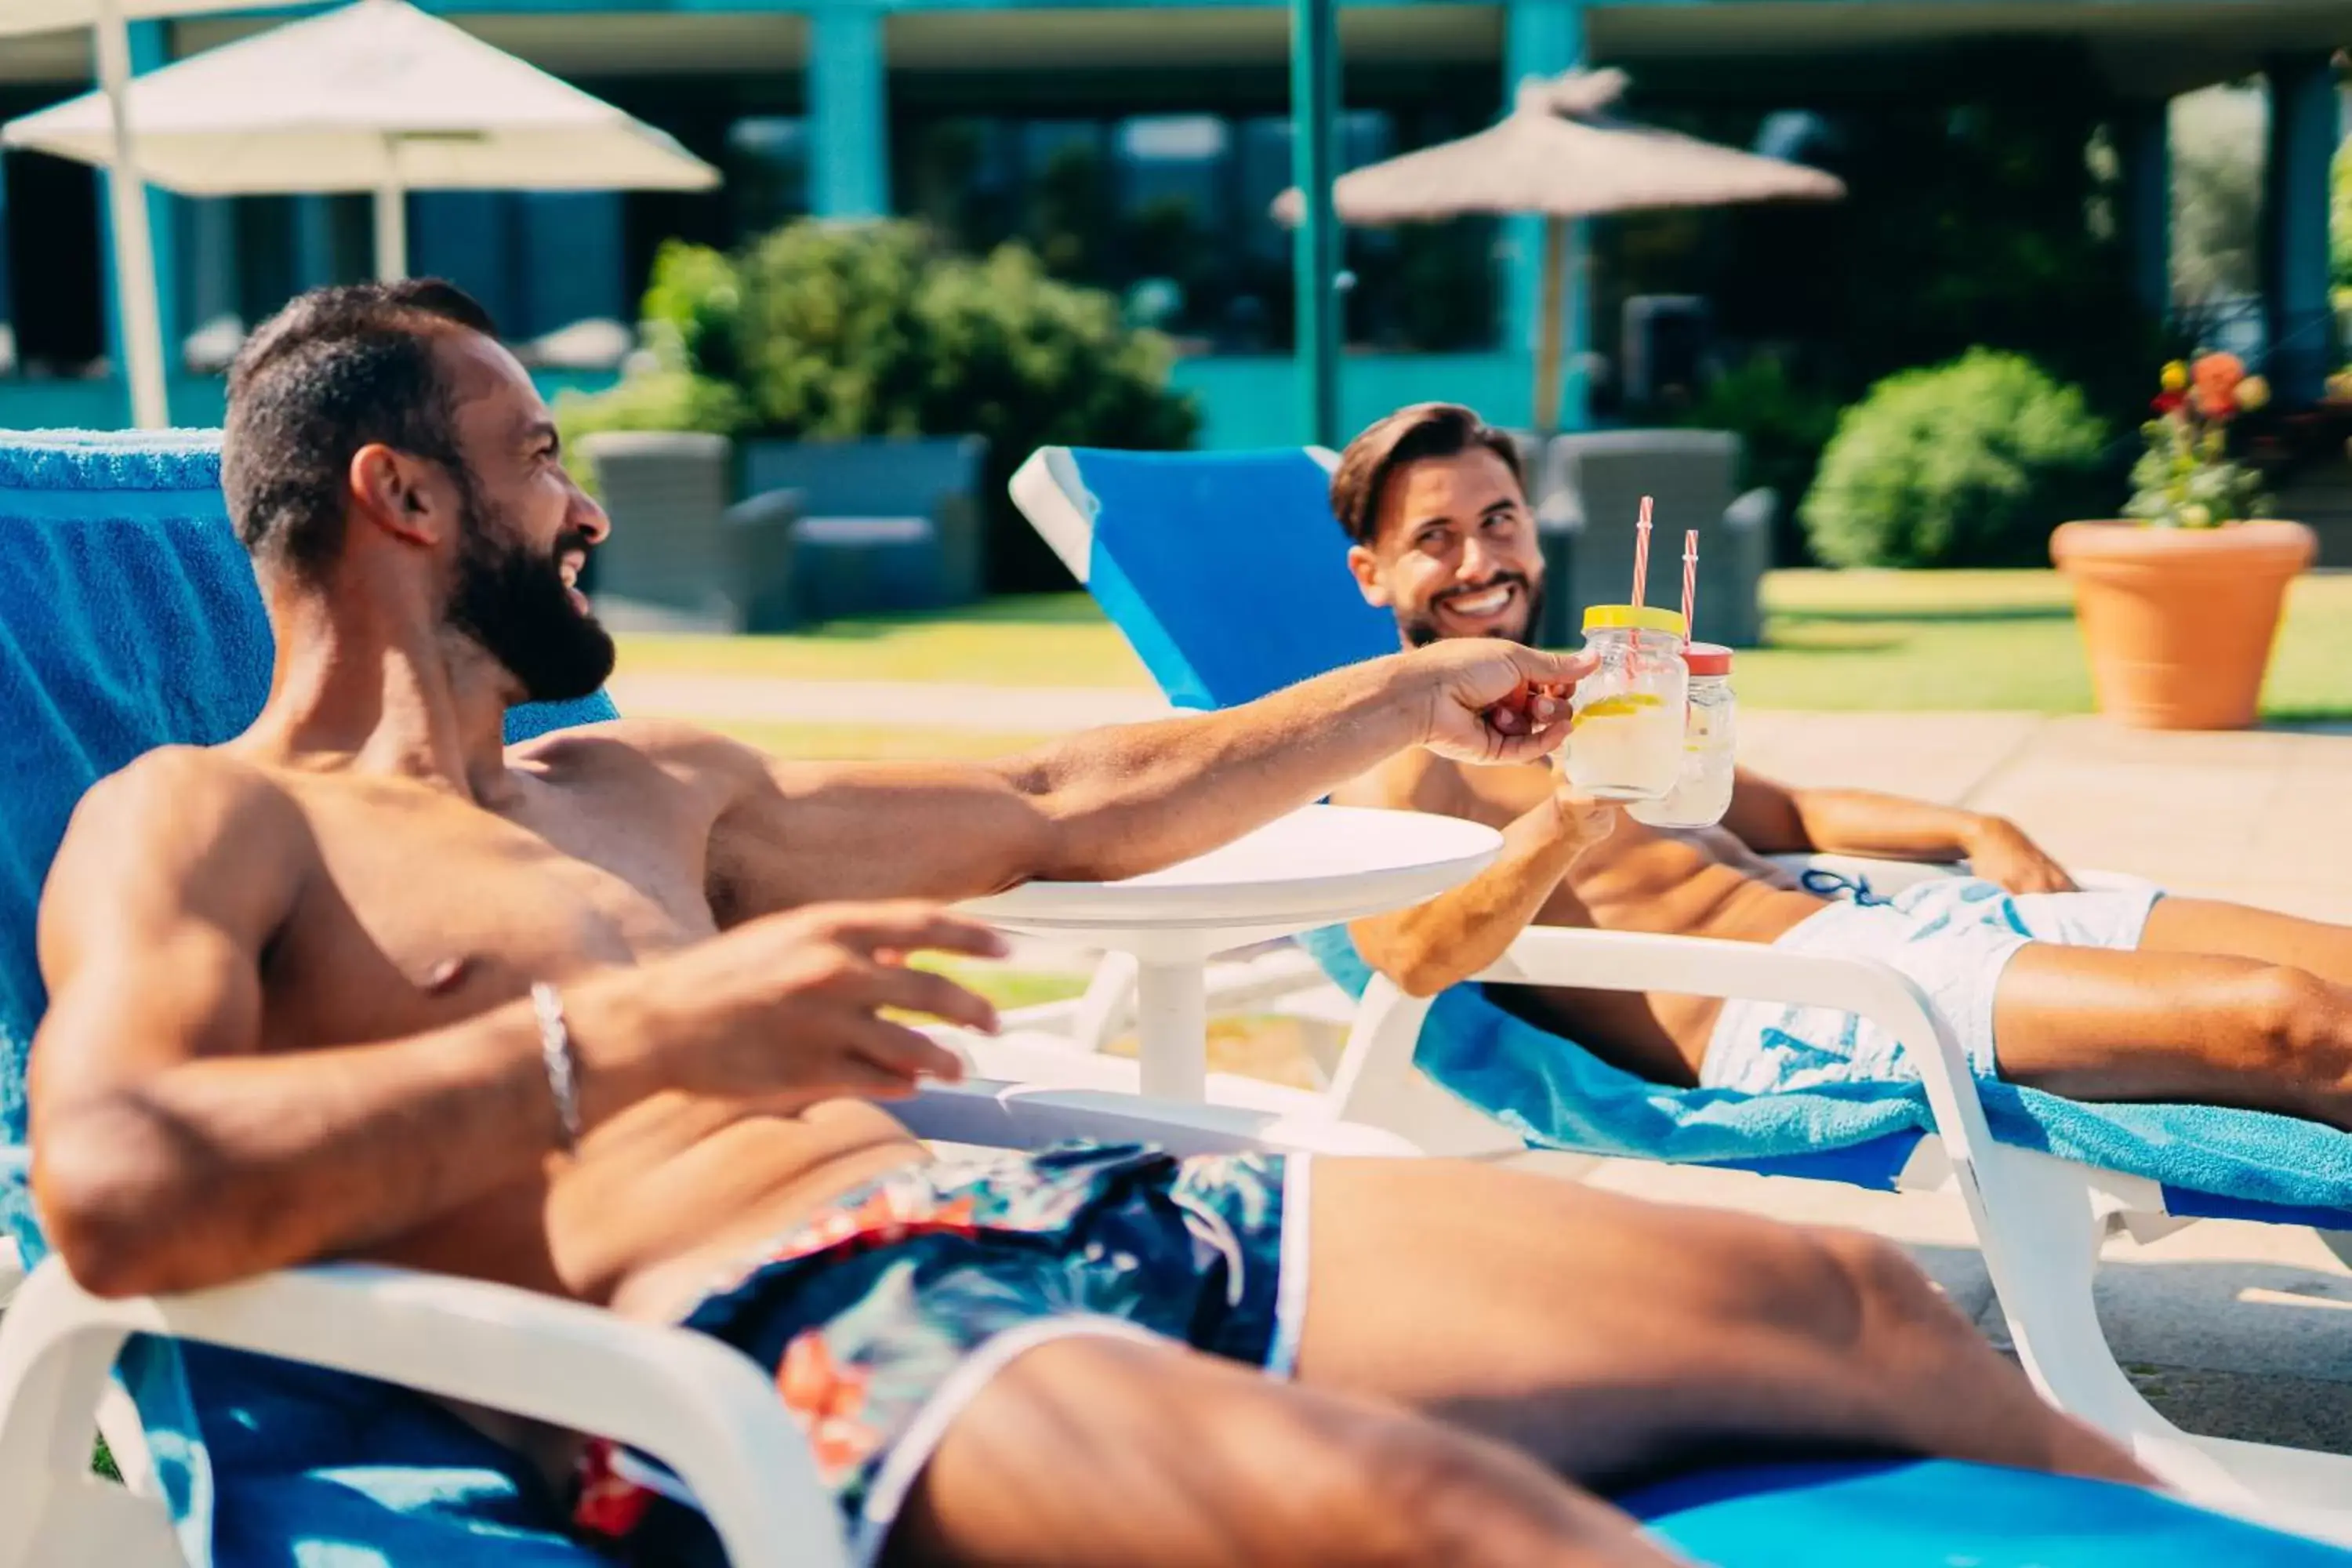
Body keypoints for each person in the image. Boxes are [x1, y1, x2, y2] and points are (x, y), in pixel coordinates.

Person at [30, 284, 2143, 1568]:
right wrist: (622, 1049)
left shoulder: (647, 785)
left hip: (1076, 1220)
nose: (586, 506)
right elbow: (112, 1192)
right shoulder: (205, 820)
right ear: (405, 500)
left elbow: (1067, 805)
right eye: (541, 456)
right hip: (783, 1336)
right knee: (1448, 1535)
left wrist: (1409, 691)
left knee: (1850, 1306)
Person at [1327, 401, 2352, 1127]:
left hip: (1903, 925)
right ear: (1374, 574)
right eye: (1437, 538)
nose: (1479, 562)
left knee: (2337, 969)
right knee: (2291, 1024)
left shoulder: (1586, 693)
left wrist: (1970, 831)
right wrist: (1566, 815)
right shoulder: (1404, 748)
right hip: (1803, 1009)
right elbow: (1408, 958)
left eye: (1498, 520)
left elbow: (1798, 811)